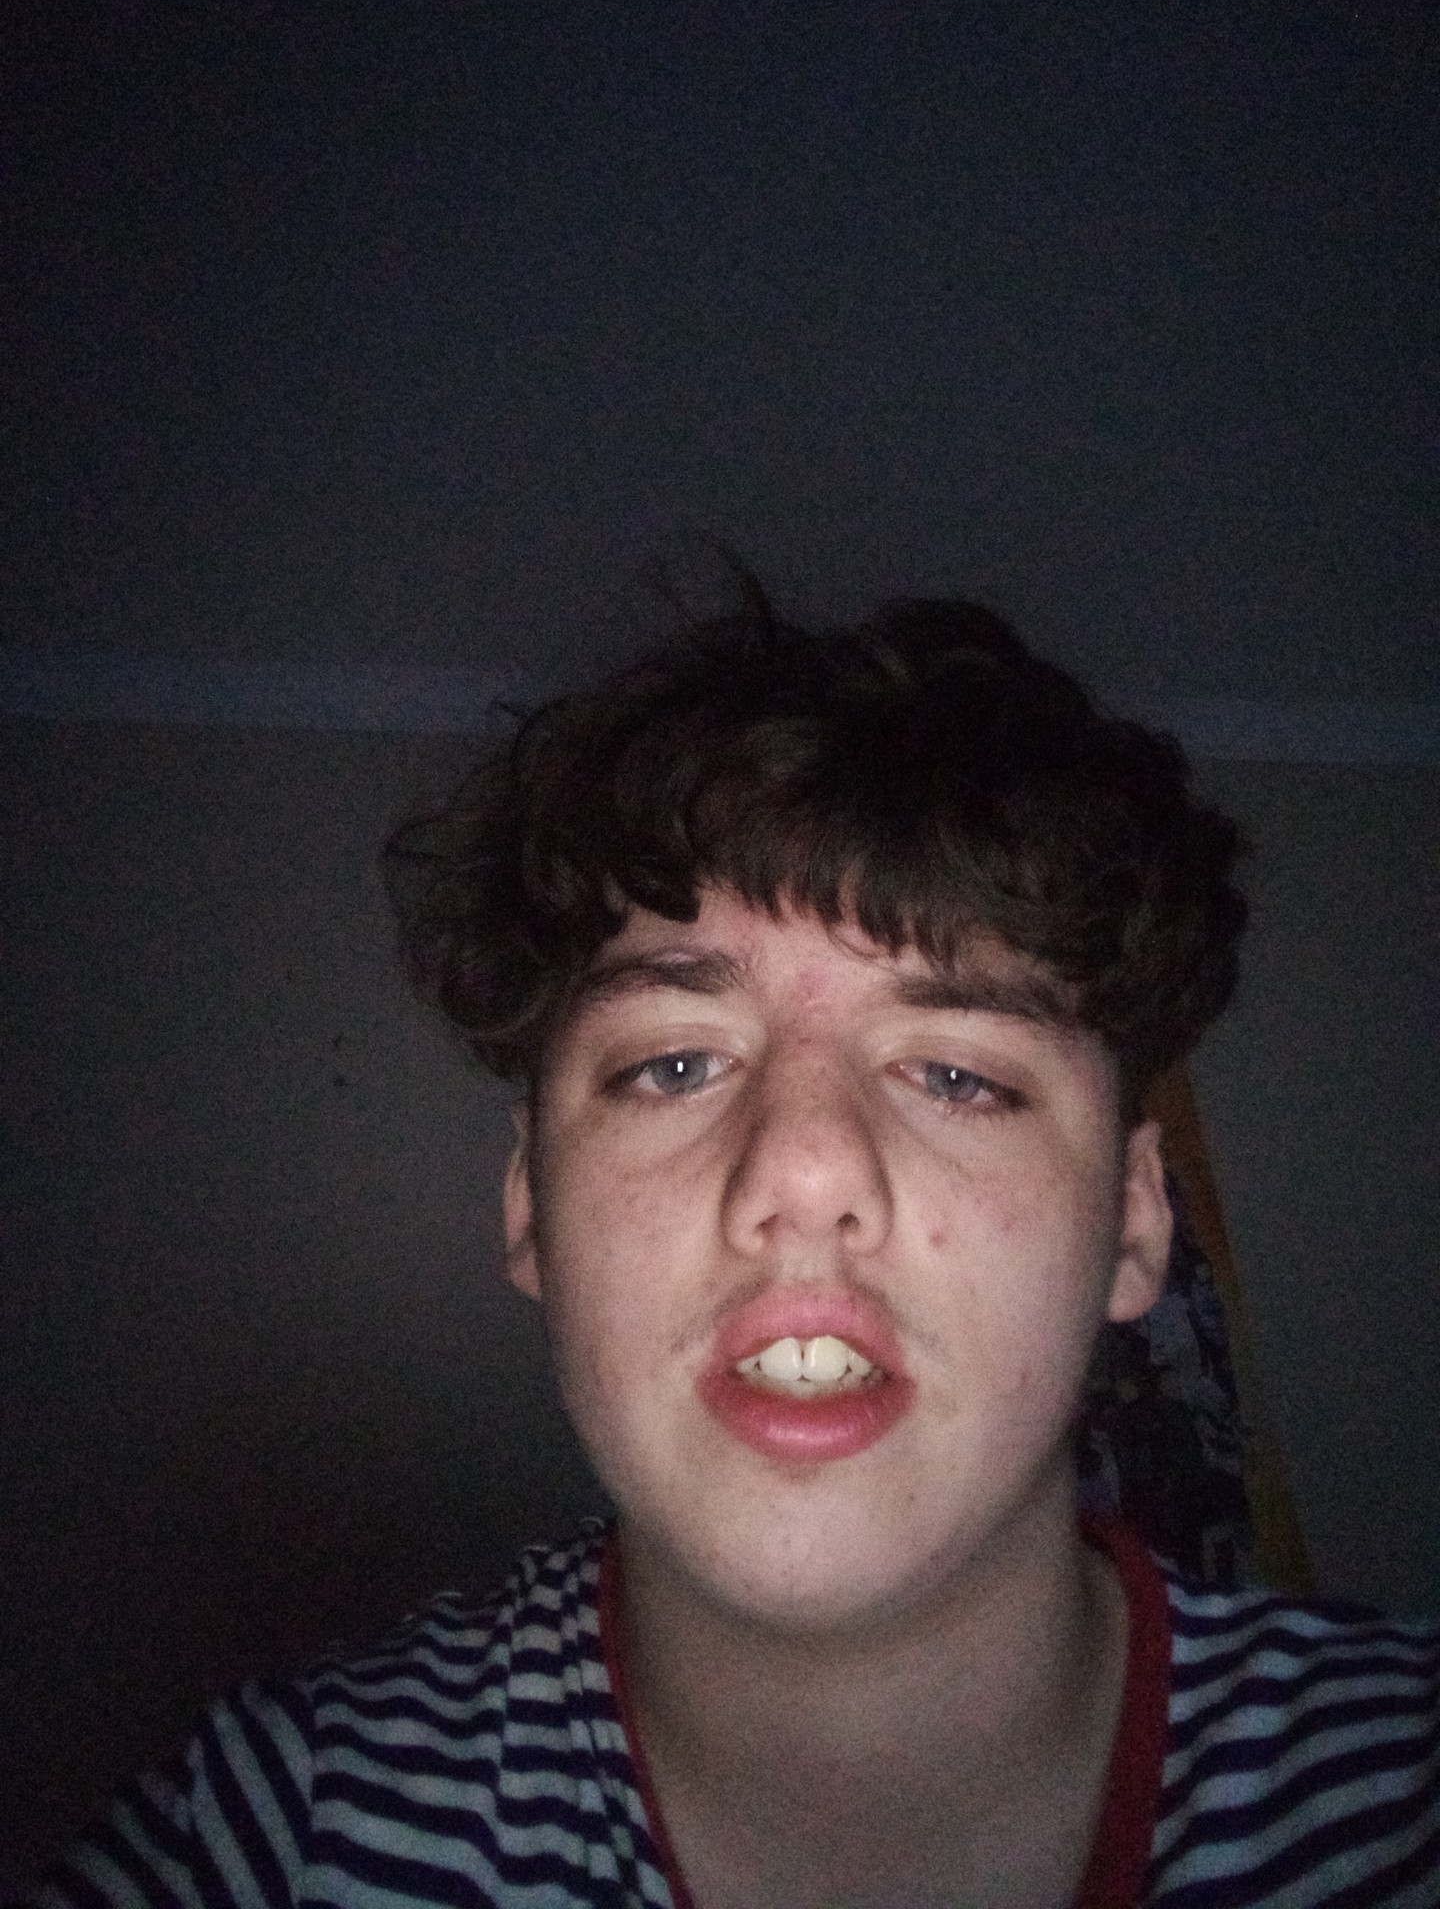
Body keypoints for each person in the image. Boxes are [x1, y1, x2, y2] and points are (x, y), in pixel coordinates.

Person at [31, 594, 1440, 1907]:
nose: (805, 1171)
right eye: (674, 1065)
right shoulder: (284, 1831)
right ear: (529, 1204)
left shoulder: (1400, 1800)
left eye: (959, 1075)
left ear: (1134, 1222)